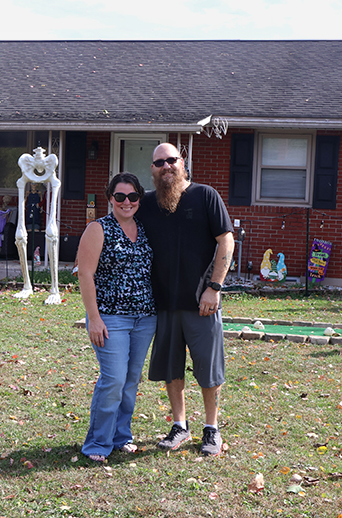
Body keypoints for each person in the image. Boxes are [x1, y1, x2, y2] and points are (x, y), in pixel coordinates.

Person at [136, 142, 235, 457]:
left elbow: (226, 241)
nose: (166, 166)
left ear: (183, 162)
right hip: (163, 304)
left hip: (201, 303)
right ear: (152, 170)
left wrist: (214, 287)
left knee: (208, 368)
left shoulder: (205, 196)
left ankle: (211, 428)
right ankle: (179, 425)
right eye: (159, 162)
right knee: (171, 368)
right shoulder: (146, 204)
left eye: (171, 160)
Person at [78, 172, 157, 463]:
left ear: (139, 199)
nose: (127, 202)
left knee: (131, 380)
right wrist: (94, 318)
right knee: (113, 379)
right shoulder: (98, 228)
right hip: (110, 318)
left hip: (145, 318)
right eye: (120, 196)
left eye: (132, 196)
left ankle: (121, 436)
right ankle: (98, 443)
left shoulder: (146, 228)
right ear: (111, 198)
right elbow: (85, 274)